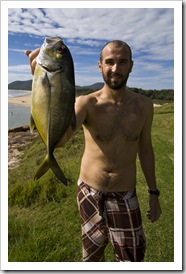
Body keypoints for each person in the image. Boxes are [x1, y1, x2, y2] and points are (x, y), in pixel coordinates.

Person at [25, 40, 162, 262]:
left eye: (122, 62)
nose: (115, 68)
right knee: (91, 258)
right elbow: (60, 141)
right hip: (89, 193)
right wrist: (41, 84)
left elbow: (146, 150)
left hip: (125, 194)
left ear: (131, 65)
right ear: (100, 66)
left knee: (132, 260)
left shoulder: (144, 106)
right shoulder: (86, 103)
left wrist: (154, 193)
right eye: (109, 62)